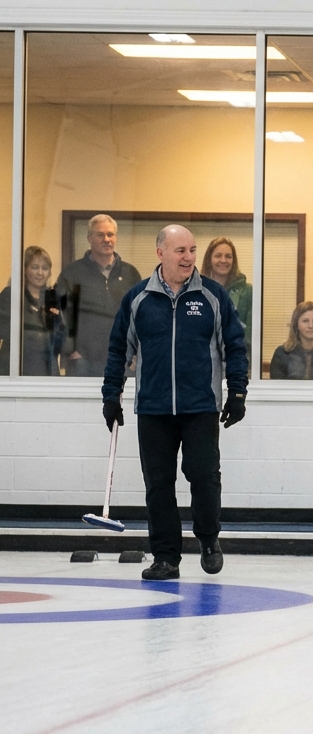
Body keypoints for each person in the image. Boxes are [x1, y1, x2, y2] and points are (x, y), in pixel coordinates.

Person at [102, 225, 248, 581]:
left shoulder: (212, 296)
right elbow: (120, 348)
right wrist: (111, 393)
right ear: (161, 253)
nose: (188, 258)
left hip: (200, 405)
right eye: (180, 251)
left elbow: (234, 344)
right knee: (158, 485)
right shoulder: (138, 299)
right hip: (153, 408)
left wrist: (238, 391)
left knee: (203, 476)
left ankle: (209, 539)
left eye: (192, 250)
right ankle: (165, 557)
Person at [57, 214, 142, 377]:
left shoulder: (130, 273)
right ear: (89, 238)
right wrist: (70, 350)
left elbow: (139, 315)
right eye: (100, 234)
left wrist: (137, 351)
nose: (106, 239)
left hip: (121, 360)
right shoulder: (72, 273)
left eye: (110, 234)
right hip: (82, 362)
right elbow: (60, 316)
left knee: (120, 403)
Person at [0, 247, 67, 377]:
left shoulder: (53, 298)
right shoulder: (11, 295)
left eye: (45, 268)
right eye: (35, 267)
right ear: (25, 269)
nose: (40, 273)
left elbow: (61, 345)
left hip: (47, 371)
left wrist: (57, 323)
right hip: (16, 370)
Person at [201, 237, 253, 341]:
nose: (223, 260)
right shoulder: (197, 291)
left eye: (228, 256)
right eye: (218, 256)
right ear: (209, 259)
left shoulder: (247, 291)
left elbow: (250, 335)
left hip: (236, 354)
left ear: (234, 261)